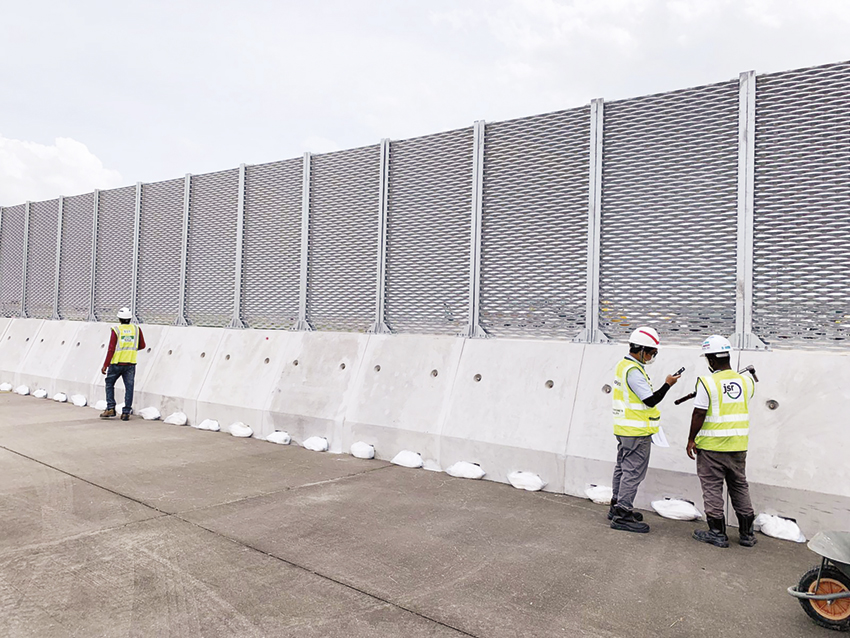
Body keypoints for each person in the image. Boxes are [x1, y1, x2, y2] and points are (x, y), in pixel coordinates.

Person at [687, 335, 757, 548]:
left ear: (710, 360)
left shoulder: (707, 383)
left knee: (712, 488)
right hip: (738, 446)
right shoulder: (746, 381)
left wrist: (691, 439)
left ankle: (717, 533)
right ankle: (747, 534)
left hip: (712, 447)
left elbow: (699, 413)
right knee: (739, 486)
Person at [609, 326, 681, 533]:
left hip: (624, 428)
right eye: (652, 352)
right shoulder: (634, 372)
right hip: (636, 432)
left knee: (622, 468)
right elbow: (650, 400)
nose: (652, 356)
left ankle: (617, 506)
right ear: (641, 350)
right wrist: (668, 384)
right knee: (633, 472)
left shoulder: (624, 366)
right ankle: (622, 513)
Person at [100, 307, 146, 421]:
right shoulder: (136, 329)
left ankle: (110, 408)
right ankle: (126, 412)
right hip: (130, 363)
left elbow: (111, 349)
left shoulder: (116, 329)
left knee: (109, 384)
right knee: (129, 387)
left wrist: (106, 365)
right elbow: (142, 345)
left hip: (116, 363)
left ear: (119, 319)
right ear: (130, 318)